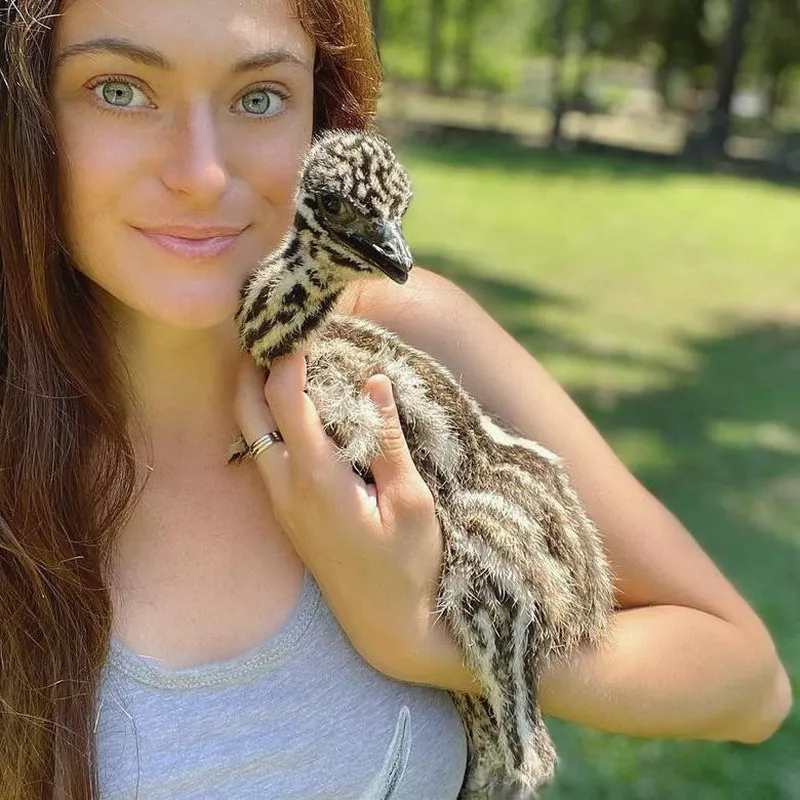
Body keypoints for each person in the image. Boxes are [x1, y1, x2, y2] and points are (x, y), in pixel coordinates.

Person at [0, 0, 791, 796]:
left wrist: (426, 639)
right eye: (120, 90)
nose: (202, 174)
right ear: (26, 106)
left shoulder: (406, 342)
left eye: (259, 97)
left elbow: (749, 682)